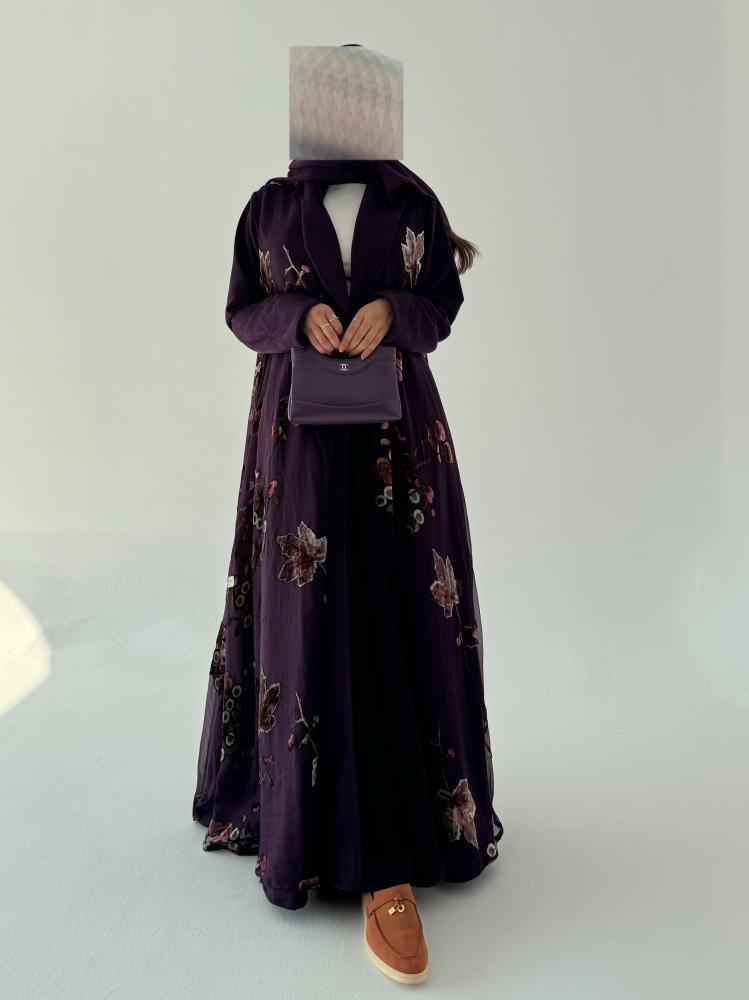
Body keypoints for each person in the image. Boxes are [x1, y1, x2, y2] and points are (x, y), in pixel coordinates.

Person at [192, 59, 503, 982]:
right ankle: (304, 820)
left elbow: (440, 308)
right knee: (308, 619)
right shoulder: (268, 208)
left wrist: (389, 311)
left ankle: (391, 851)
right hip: (297, 444)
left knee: (392, 615)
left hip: (399, 445)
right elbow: (241, 310)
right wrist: (296, 317)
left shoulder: (412, 206)